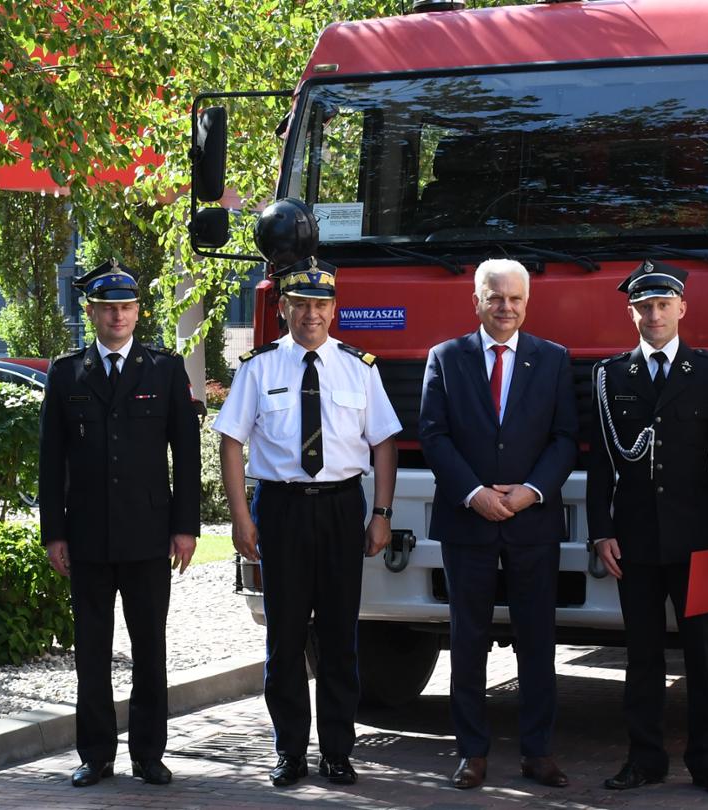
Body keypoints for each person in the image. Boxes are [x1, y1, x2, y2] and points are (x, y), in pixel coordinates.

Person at [212, 256, 401, 788]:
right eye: (300, 305)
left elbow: (384, 443)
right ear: (285, 310)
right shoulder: (259, 366)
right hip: (282, 508)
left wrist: (381, 515)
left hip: (342, 508)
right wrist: (240, 516)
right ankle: (290, 751)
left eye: (321, 305)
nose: (311, 315)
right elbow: (231, 441)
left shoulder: (359, 367)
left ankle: (338, 752)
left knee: (341, 639)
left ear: (334, 309)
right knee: (285, 640)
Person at [37, 260, 201, 788]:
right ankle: (96, 754)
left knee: (150, 648)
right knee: (91, 651)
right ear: (91, 313)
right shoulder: (67, 373)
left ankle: (148, 753)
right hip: (86, 536)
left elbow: (188, 457)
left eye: (126, 308)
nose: (117, 317)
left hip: (150, 535)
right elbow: (50, 461)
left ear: (138, 312)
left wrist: (186, 527)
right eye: (108, 308)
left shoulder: (165, 369)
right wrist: (53, 532)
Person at [418, 258, 579, 791]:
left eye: (514, 299)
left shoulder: (553, 360)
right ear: (477, 300)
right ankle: (471, 754)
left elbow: (564, 438)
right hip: (469, 522)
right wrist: (474, 493)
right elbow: (433, 436)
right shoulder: (445, 358)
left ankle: (538, 753)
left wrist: (532, 491)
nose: (505, 307)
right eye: (495, 297)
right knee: (468, 640)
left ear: (527, 303)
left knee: (539, 642)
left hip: (532, 522)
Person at [585, 261, 708, 794]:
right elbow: (602, 464)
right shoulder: (609, 376)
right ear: (631, 313)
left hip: (700, 540)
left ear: (682, 308)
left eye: (662, 305)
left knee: (703, 655)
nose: (653, 315)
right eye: (643, 307)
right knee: (643, 656)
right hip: (636, 542)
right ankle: (645, 759)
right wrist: (600, 531)